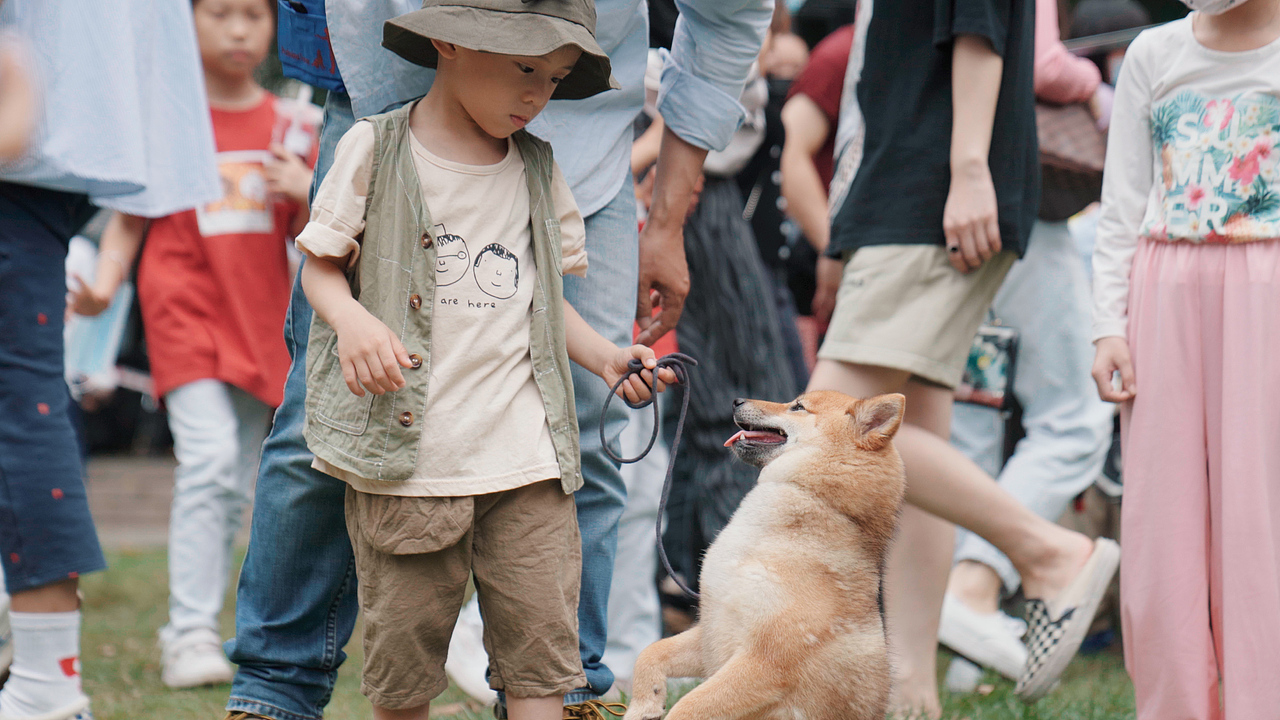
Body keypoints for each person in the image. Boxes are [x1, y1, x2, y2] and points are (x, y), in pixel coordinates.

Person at [223, 0, 772, 718]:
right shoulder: (377, 147)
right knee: (324, 448)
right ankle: (273, 695)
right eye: (525, 70)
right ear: (447, 42)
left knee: (554, 591)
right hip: (386, 106)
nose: (538, 96)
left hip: (523, 465)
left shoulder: (541, 165)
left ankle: (570, 692)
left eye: (556, 77)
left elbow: (542, 298)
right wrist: (354, 324)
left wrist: (609, 354)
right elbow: (321, 264)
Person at [806, 0, 1120, 714]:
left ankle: (1048, 554)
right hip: (915, 186)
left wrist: (969, 167)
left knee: (830, 422)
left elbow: (980, 22)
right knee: (914, 448)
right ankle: (910, 692)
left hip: (925, 192)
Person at [65, 0, 316, 689]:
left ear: (274, 27)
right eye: (220, 13)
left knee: (235, 480)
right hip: (185, 318)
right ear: (188, 23)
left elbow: (324, 242)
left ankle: (209, 626)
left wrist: (308, 190)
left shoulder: (293, 125)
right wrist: (104, 286)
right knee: (207, 462)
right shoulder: (166, 118)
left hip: (262, 327)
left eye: (253, 15)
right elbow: (126, 223)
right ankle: (191, 633)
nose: (239, 30)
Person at [0, 0, 219, 718]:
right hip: (67, 132)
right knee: (21, 403)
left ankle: (46, 686)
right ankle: (44, 682)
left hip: (28, 143)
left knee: (21, 406)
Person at [1091, 0, 1280, 716]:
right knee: (1158, 520)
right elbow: (1123, 200)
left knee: (1259, 511)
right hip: (1164, 291)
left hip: (1267, 296)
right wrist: (1107, 324)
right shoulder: (1153, 53)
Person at [939, 0, 1116, 684]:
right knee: (1074, 419)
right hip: (1012, 209)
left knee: (974, 427)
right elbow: (1039, 60)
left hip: (939, 215)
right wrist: (1096, 87)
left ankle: (960, 655)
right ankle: (976, 585)